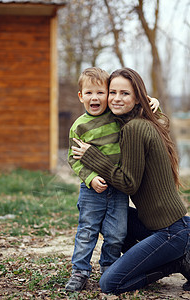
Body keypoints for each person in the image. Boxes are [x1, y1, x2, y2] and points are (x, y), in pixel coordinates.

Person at [71, 67, 190, 294]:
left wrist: (91, 156)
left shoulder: (134, 128)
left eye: (125, 93)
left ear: (138, 98)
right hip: (164, 225)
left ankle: (174, 262)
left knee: (110, 284)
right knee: (110, 217)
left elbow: (128, 184)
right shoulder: (137, 122)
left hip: (169, 230)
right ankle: (179, 248)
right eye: (112, 92)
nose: (116, 98)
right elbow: (162, 121)